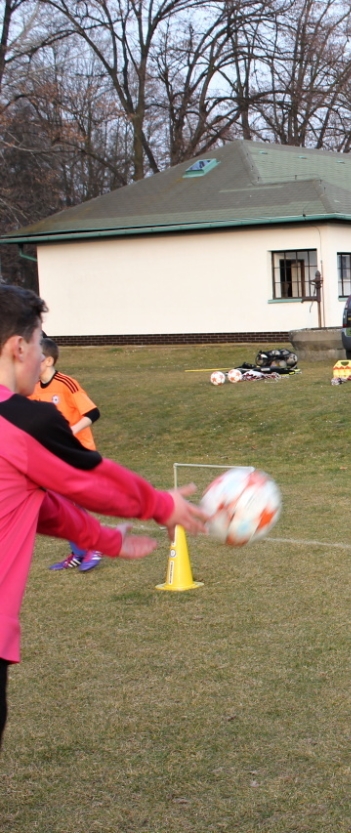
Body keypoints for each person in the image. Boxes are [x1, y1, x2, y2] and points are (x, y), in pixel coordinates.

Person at [0, 284, 206, 750]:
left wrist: (103, 539)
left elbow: (36, 506)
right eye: (38, 343)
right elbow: (94, 479)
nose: (41, 356)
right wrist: (160, 506)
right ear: (18, 347)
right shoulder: (22, 421)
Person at [29, 337, 106, 571]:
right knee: (60, 505)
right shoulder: (31, 386)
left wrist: (70, 432)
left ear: (48, 360)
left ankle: (95, 545)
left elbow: (93, 412)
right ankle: (79, 552)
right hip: (52, 454)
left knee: (70, 502)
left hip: (76, 451)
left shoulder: (66, 383)